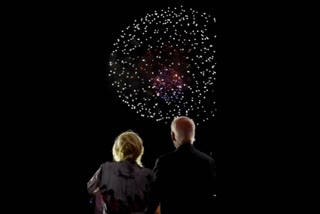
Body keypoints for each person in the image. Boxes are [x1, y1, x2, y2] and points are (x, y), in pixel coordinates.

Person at [145, 116, 217, 214]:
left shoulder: (163, 162)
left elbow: (154, 196)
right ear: (194, 135)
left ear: (173, 136)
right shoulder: (208, 162)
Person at [87, 130, 154, 214]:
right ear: (140, 149)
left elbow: (89, 190)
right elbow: (154, 202)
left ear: (117, 149)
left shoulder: (105, 168)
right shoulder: (148, 174)